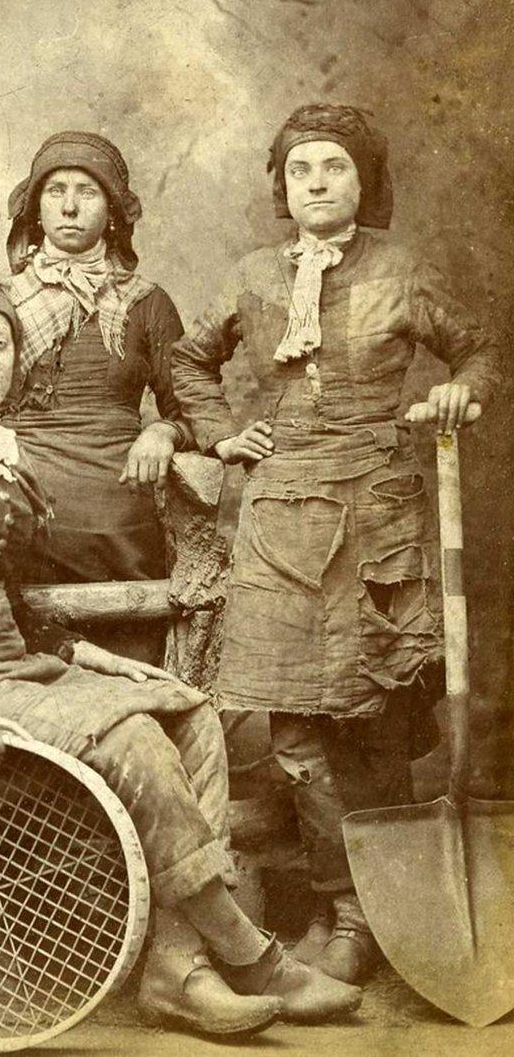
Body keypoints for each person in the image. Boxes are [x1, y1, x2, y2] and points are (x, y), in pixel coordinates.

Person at [0, 275, 360, 1036]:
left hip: (7, 665)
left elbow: (9, 602)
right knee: (131, 735)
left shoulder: (0, 453)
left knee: (189, 713)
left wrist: (92, 658)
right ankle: (250, 955)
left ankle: (179, 968)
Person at [170, 104, 499, 984]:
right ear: (281, 187)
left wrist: (454, 397)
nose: (316, 183)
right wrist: (220, 434)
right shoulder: (247, 275)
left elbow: (478, 354)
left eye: (334, 168)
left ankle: (368, 921)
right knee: (290, 726)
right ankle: (336, 902)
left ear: (364, 181)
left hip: (376, 509)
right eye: (300, 170)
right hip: (278, 512)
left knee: (371, 718)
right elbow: (183, 362)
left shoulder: (402, 270)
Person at [2, 131, 192, 664]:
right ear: (34, 209)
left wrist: (162, 430)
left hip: (116, 492)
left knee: (128, 653)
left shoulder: (147, 303)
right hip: (21, 486)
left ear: (112, 211)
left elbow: (189, 405)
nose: (68, 206)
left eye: (86, 192)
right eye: (55, 191)